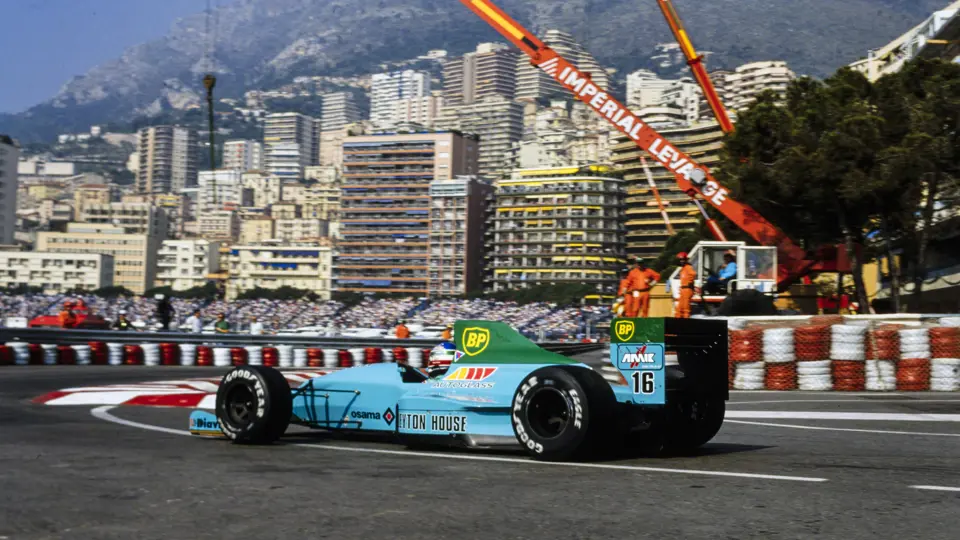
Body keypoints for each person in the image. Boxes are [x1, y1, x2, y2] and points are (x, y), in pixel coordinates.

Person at [675, 252, 696, 319]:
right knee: (679, 309)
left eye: (683, 259)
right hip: (683, 289)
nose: (681, 261)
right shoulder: (683, 268)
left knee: (685, 309)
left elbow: (693, 274)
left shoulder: (688, 267)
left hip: (687, 289)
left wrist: (689, 283)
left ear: (686, 260)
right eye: (680, 260)